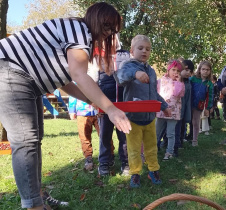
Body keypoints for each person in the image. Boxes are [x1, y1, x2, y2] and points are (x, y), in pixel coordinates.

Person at [0, 2, 131, 210]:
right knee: (25, 141)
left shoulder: (76, 38)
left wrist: (91, 100)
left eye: (113, 30)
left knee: (34, 140)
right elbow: (80, 75)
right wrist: (111, 108)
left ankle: (38, 196)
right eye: (107, 27)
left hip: (28, 79)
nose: (109, 34)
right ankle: (34, 206)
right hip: (9, 70)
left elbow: (65, 79)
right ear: (95, 20)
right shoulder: (80, 31)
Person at [116, 34, 171, 188]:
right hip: (133, 118)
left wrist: (164, 106)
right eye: (140, 48)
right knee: (133, 149)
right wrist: (135, 74)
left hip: (150, 118)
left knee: (152, 147)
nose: (144, 51)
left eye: (148, 49)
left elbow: (153, 93)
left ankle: (153, 170)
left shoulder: (152, 71)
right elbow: (120, 77)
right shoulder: (128, 66)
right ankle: (135, 173)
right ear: (132, 51)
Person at [95, 50, 129, 176]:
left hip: (122, 108)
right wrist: (97, 106)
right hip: (104, 108)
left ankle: (125, 162)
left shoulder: (125, 56)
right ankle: (104, 162)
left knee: (124, 137)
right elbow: (93, 84)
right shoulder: (99, 57)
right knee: (105, 136)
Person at [156, 59, 185, 160]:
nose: (175, 73)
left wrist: (178, 82)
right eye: (173, 70)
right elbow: (156, 93)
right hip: (161, 111)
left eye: (178, 71)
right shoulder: (160, 81)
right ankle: (153, 149)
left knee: (170, 133)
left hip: (173, 112)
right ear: (168, 70)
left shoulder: (180, 83)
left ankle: (169, 152)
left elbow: (178, 93)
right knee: (157, 132)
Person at [190, 61, 214, 146]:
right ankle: (182, 138)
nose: (205, 71)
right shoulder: (193, 79)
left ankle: (195, 140)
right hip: (189, 103)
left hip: (199, 105)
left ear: (210, 71)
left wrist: (208, 108)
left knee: (196, 122)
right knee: (185, 120)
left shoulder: (209, 84)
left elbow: (210, 96)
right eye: (203, 69)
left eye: (207, 69)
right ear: (199, 70)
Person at [173, 59, 193, 157]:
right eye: (186, 70)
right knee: (174, 128)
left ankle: (180, 141)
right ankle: (174, 145)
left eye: (190, 71)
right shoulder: (176, 80)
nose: (187, 72)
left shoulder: (189, 82)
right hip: (176, 109)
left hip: (184, 108)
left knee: (182, 126)